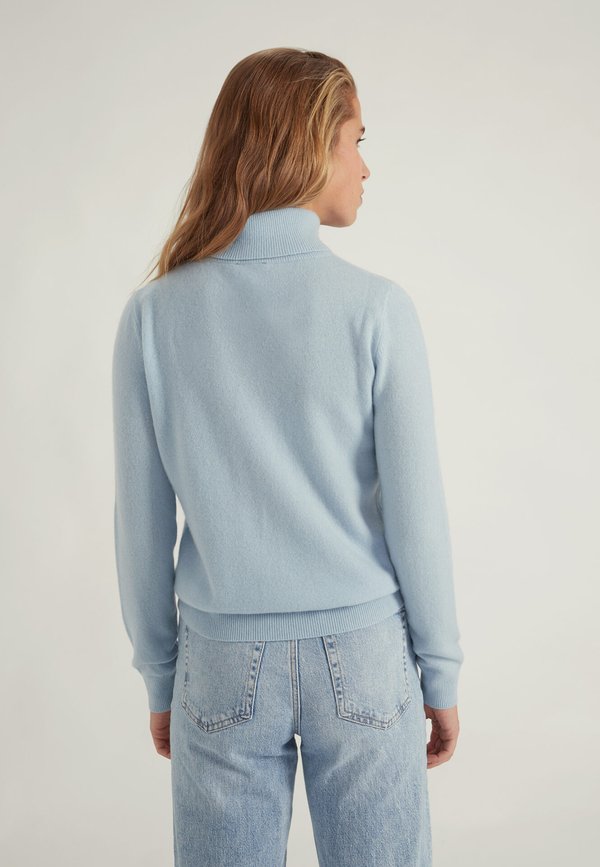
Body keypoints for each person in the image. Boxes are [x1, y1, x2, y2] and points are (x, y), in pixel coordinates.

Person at [112, 46, 464, 867]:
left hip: (219, 662)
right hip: (366, 656)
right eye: (356, 140)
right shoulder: (377, 309)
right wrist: (440, 671)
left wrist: (160, 674)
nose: (366, 166)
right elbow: (418, 516)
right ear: (308, 143)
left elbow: (140, 523)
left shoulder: (154, 316)